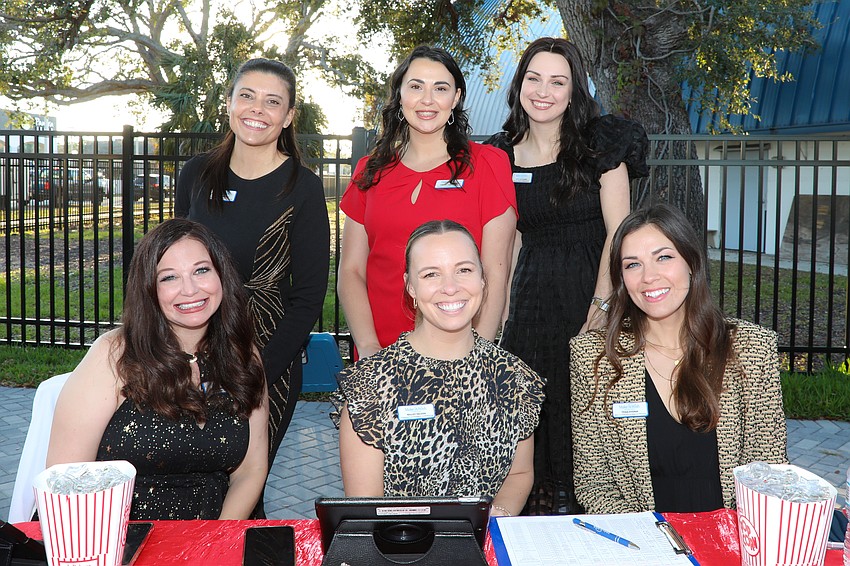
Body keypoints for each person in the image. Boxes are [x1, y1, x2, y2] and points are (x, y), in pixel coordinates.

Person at [485, 37, 649, 515]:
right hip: (532, 303)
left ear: (574, 89)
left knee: (588, 420)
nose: (544, 91)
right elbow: (511, 239)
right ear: (519, 85)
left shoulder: (602, 144)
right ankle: (533, 525)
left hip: (592, 293)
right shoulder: (501, 154)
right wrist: (503, 315)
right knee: (530, 421)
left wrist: (601, 307)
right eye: (534, 78)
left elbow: (620, 234)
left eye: (558, 81)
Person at [175, 57, 330, 504]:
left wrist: (258, 370)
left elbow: (308, 297)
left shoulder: (303, 186)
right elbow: (171, 267)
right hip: (190, 350)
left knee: (243, 488)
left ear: (288, 116)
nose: (256, 108)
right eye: (246, 95)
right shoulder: (196, 173)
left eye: (272, 101)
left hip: (266, 357)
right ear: (228, 103)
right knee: (197, 486)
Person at [570, 204, 788, 514]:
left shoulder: (751, 349)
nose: (649, 277)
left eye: (664, 257)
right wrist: (653, 543)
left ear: (691, 262)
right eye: (632, 265)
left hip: (732, 543)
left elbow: (770, 475)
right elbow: (594, 483)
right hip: (643, 546)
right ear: (621, 278)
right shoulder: (593, 357)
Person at [47, 219, 269, 520]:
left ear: (221, 275)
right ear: (149, 288)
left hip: (215, 528)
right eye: (169, 278)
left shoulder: (243, 354)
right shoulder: (114, 356)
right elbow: (65, 479)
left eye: (201, 270)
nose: (190, 289)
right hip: (119, 534)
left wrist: (214, 541)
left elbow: (251, 469)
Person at [332, 220, 544, 516]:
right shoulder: (371, 386)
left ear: (483, 279)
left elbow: (519, 475)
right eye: (432, 274)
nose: (450, 287)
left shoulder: (513, 377)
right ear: (411, 286)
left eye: (464, 270)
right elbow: (367, 508)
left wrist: (496, 516)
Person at [338, 45, 516, 359]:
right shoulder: (369, 171)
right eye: (416, 86)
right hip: (379, 350)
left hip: (460, 351)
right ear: (400, 95)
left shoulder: (489, 164)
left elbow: (495, 272)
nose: (427, 100)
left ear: (457, 97)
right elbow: (351, 270)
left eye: (441, 88)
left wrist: (478, 357)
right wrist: (367, 346)